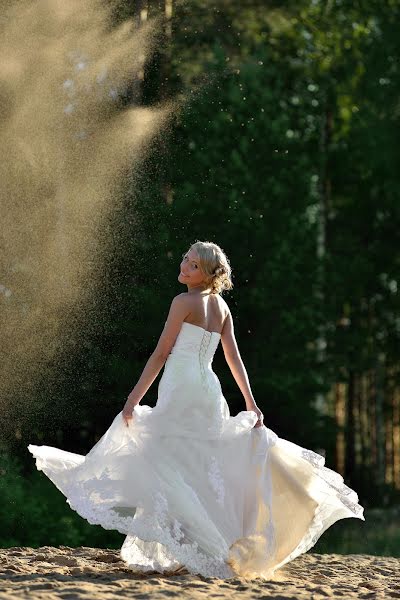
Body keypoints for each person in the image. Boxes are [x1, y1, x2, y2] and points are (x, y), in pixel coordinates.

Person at [28, 240, 365, 579]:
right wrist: (250, 401)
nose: (183, 265)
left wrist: (133, 398)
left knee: (167, 459)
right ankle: (198, 544)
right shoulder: (221, 307)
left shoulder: (183, 302)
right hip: (208, 387)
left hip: (182, 385)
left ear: (205, 275)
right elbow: (234, 359)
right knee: (196, 463)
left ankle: (199, 546)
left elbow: (161, 353)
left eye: (192, 264)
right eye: (185, 259)